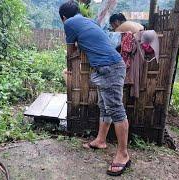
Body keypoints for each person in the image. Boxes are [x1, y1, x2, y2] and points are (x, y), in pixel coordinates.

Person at [59, 1, 131, 176]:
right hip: (107, 67)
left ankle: (123, 155)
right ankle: (100, 140)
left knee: (116, 109)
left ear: (63, 17)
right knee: (104, 106)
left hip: (110, 67)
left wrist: (71, 56)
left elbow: (71, 52)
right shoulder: (89, 21)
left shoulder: (69, 23)